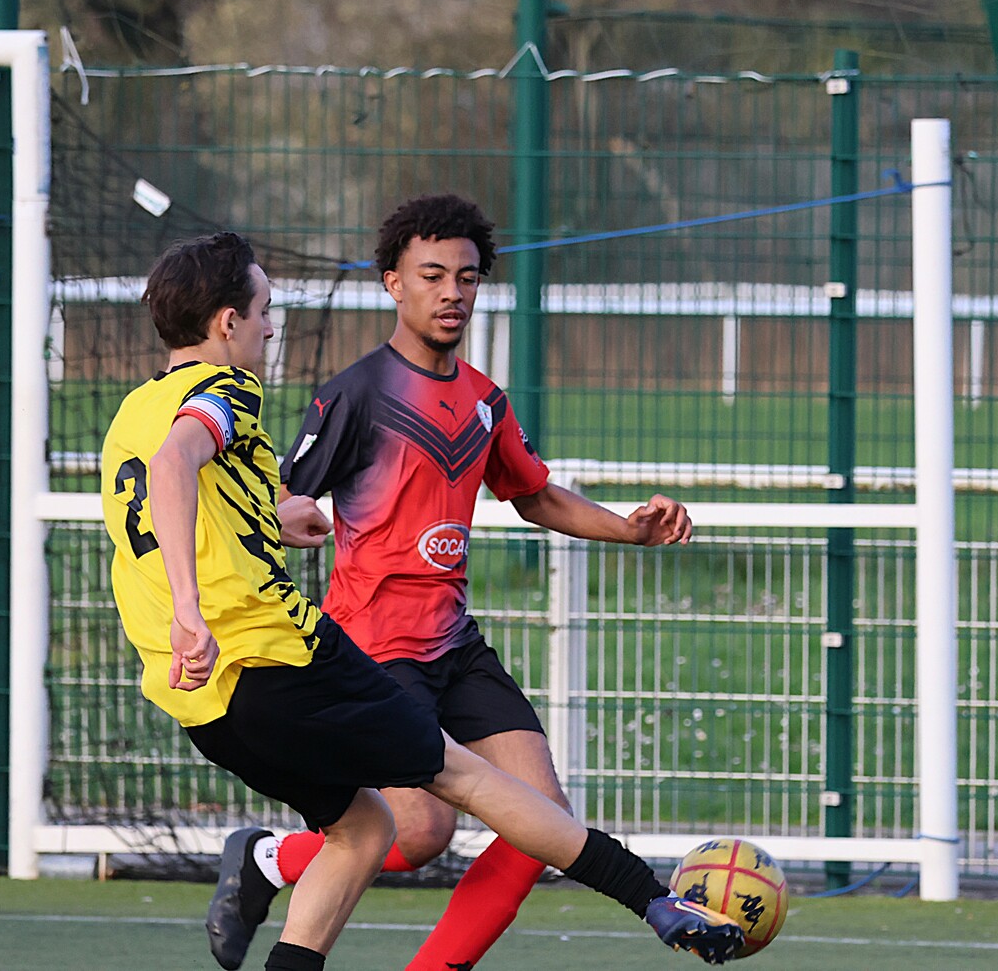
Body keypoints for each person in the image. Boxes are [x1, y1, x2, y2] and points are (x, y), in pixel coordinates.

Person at [99, 231, 743, 971]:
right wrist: (191, 611)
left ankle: (272, 875)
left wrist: (271, 519)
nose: (271, 328)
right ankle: (653, 898)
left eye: (466, 276)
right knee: (458, 787)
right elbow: (177, 466)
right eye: (265, 310)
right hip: (290, 655)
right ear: (227, 321)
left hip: (208, 699)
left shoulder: (132, 413)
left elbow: (179, 503)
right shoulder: (234, 389)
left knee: (367, 830)